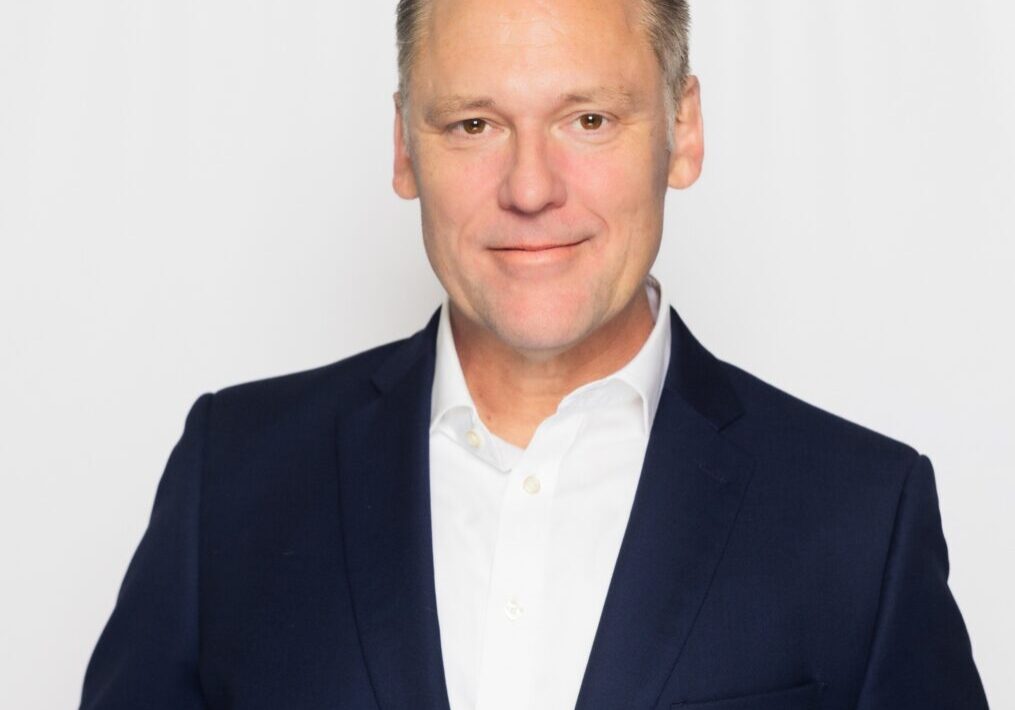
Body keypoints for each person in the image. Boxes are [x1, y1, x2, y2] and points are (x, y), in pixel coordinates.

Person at [79, 0, 989, 708]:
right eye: (473, 124)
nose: (528, 187)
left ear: (684, 130)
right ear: (404, 147)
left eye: (587, 120)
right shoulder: (232, 475)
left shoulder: (860, 520)